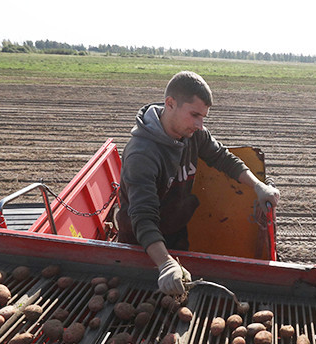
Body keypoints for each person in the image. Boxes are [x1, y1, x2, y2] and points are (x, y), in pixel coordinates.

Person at [116, 71, 280, 296]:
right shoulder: (142, 154)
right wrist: (164, 264)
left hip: (176, 234)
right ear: (170, 104)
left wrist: (257, 186)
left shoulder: (193, 135)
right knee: (139, 302)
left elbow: (223, 158)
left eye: (203, 116)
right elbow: (143, 218)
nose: (200, 125)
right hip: (141, 247)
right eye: (194, 114)